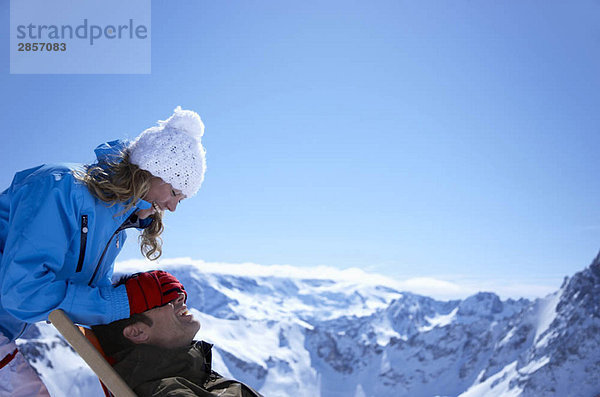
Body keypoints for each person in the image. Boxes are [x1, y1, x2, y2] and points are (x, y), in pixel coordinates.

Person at [0, 107, 207, 396]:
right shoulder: (60, 187)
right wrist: (121, 303)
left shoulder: (115, 224)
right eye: (174, 193)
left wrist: (142, 303)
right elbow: (21, 292)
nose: (172, 207)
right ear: (149, 172)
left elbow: (88, 298)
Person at [92, 270, 263, 397]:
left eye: (179, 291)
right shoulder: (167, 391)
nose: (181, 297)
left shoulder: (192, 376)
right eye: (164, 297)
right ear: (137, 332)